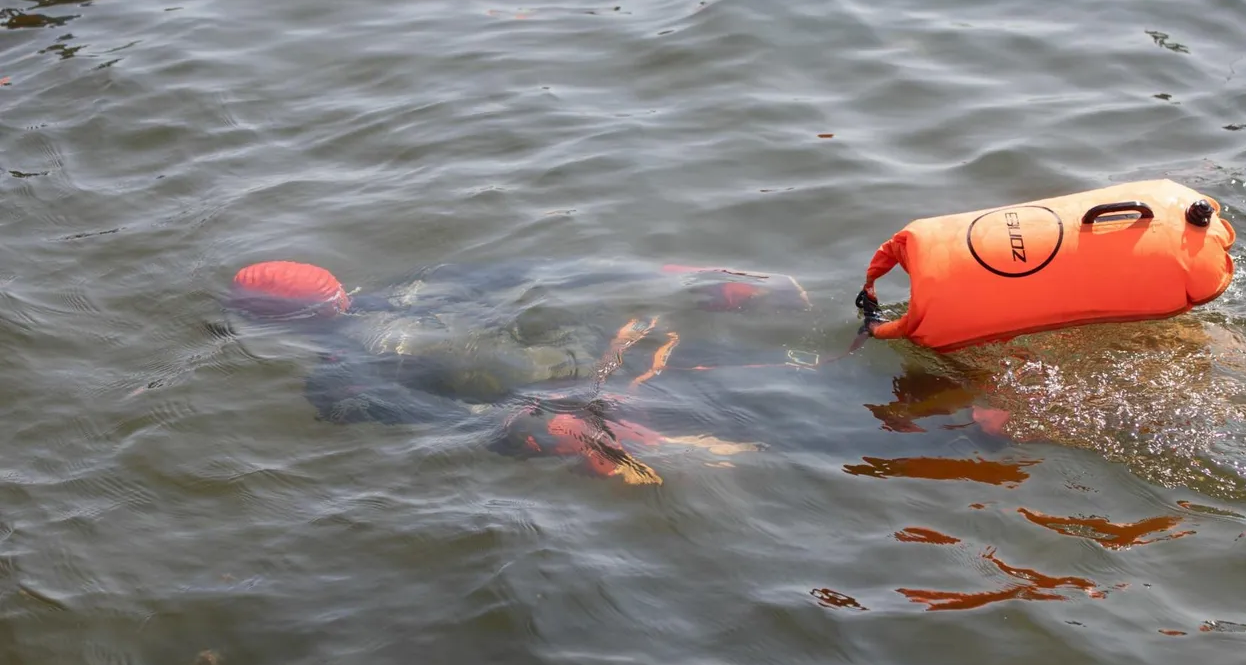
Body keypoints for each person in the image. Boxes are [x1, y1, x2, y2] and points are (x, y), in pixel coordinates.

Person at [226, 258, 810, 484]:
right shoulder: (420, 282)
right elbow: (553, 272)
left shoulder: (334, 379)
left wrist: (551, 434)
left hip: (559, 395)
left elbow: (452, 421)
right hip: (599, 340)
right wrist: (679, 276)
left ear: (280, 329)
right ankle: (729, 290)